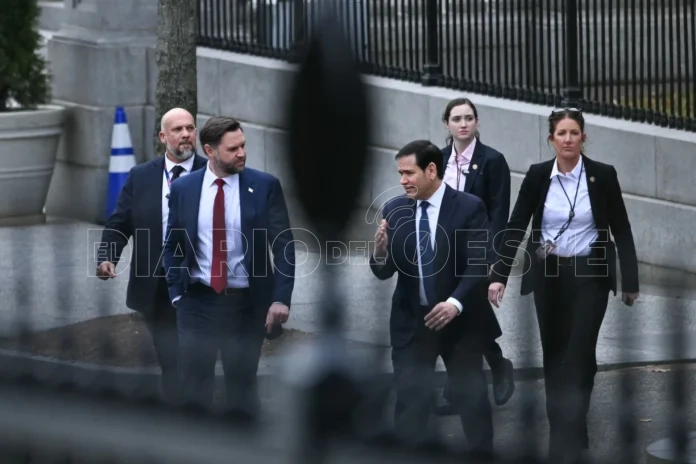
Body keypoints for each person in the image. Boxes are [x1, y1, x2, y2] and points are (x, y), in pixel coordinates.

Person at [487, 108, 640, 463]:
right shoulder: (538, 175)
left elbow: (621, 227)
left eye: (574, 133)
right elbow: (516, 225)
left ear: (584, 137)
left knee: (579, 354)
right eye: (561, 133)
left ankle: (567, 433)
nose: (568, 139)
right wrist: (499, 275)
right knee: (555, 357)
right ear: (551, 139)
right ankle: (565, 434)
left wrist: (630, 281)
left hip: (591, 274)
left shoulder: (602, 175)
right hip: (549, 275)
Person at [370, 140, 498, 460]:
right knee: (410, 402)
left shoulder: (469, 207)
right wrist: (380, 252)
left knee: (471, 401)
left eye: (408, 173)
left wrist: (455, 303)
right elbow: (385, 271)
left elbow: (478, 263)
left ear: (431, 170)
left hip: (460, 323)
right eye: (400, 173)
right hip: (412, 323)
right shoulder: (394, 209)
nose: (402, 180)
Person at [163, 116, 295, 414]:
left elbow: (284, 246)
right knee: (194, 389)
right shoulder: (184, 189)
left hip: (245, 305)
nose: (242, 153)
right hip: (196, 302)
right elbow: (172, 244)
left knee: (242, 388)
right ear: (210, 151)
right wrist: (176, 294)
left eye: (243, 145)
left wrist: (280, 298)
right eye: (233, 149)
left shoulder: (264, 186)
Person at [96, 108, 207, 403]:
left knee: (195, 354)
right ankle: (178, 408)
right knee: (169, 358)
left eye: (190, 128)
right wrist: (107, 257)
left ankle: (197, 406)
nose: (186, 134)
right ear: (163, 137)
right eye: (178, 130)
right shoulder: (141, 176)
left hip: (199, 283)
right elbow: (119, 223)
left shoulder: (212, 172)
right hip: (156, 285)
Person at [434, 97, 514, 416]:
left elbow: (499, 214)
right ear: (447, 124)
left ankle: (478, 375)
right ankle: (492, 365)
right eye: (457, 118)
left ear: (477, 122)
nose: (463, 123)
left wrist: (494, 258)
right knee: (454, 313)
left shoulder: (492, 160)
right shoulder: (438, 159)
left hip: (477, 251)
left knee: (468, 308)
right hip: (443, 252)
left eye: (469, 117)